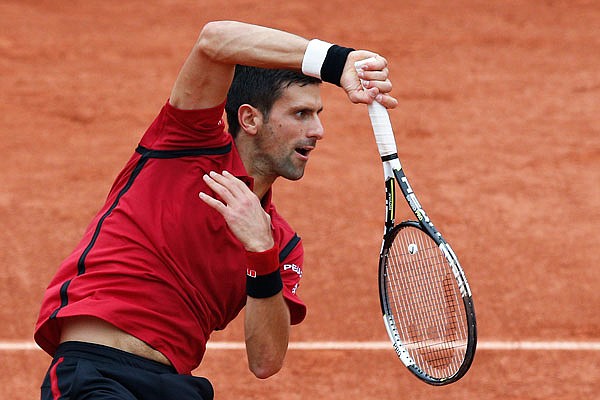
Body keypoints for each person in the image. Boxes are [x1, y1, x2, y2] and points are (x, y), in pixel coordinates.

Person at [34, 20, 397, 400]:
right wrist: (335, 62)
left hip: (176, 387)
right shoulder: (183, 146)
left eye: (318, 114)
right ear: (250, 119)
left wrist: (262, 253)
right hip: (98, 373)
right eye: (301, 114)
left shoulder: (281, 244)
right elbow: (215, 39)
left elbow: (266, 361)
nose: (318, 130)